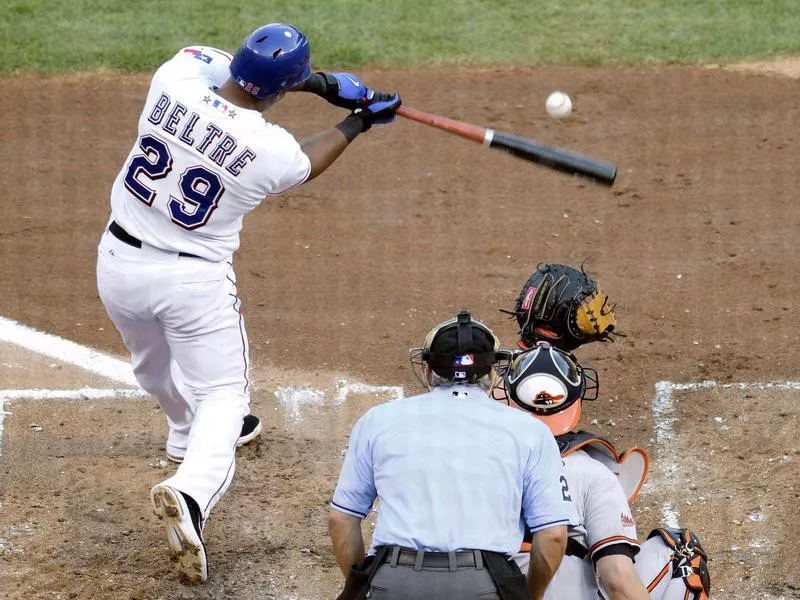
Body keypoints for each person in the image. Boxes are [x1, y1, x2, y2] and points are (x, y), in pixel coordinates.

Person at [96, 22, 401, 583]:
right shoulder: (270, 151)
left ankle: (184, 432)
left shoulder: (174, 79)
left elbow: (229, 72)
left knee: (152, 363)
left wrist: (315, 83)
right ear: (287, 87)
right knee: (226, 395)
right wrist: (357, 116)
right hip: (191, 284)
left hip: (117, 262)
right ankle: (189, 494)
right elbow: (312, 158)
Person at [329, 310, 574, 600]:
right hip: (484, 585)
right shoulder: (531, 430)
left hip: (393, 581)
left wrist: (362, 586)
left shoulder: (377, 420)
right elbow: (554, 535)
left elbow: (341, 520)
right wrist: (528, 596)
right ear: (492, 374)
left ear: (428, 370)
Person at [500, 341, 710, 599]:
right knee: (682, 550)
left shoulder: (479, 464)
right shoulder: (592, 473)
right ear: (575, 402)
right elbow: (617, 582)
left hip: (477, 588)